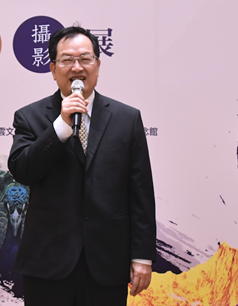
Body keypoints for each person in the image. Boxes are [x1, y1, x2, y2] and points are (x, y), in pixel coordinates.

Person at [8, 25, 156, 305]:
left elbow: (141, 193)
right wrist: (60, 127)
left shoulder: (127, 119)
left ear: (97, 66)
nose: (77, 67)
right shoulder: (30, 116)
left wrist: (141, 256)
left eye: (85, 59)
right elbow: (22, 170)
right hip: (48, 263)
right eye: (67, 60)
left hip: (107, 262)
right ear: (53, 69)